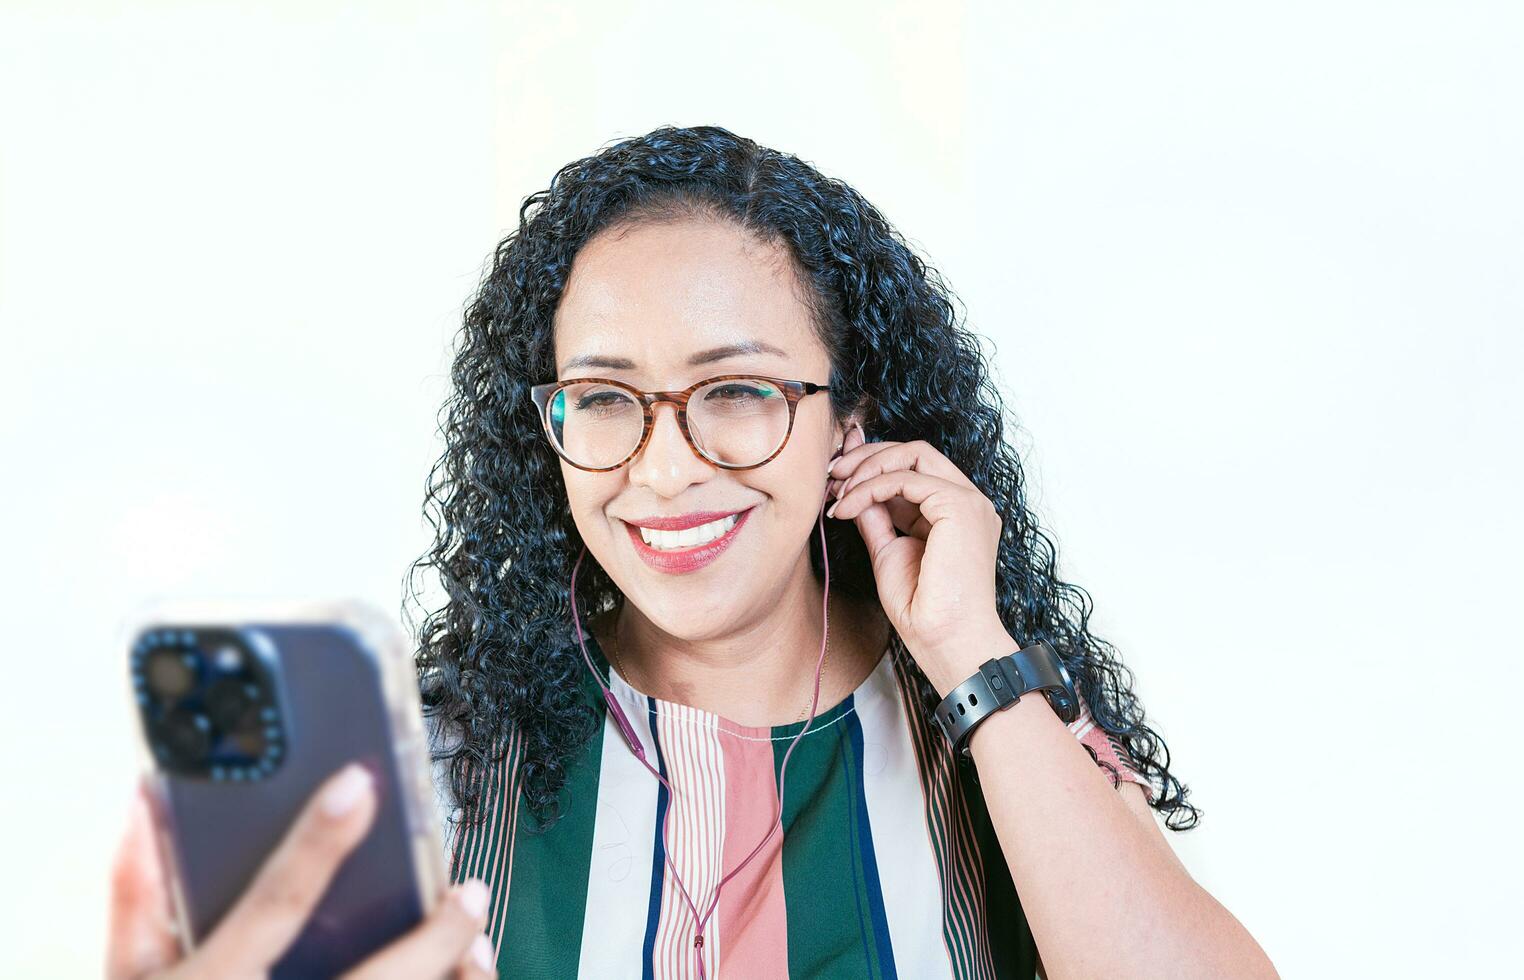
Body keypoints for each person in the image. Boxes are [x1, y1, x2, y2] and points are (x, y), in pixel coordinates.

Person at [411, 125, 1277, 978]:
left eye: (739, 390)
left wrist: (967, 647)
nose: (664, 470)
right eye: (602, 396)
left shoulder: (998, 719)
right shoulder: (436, 751)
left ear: (848, 421)